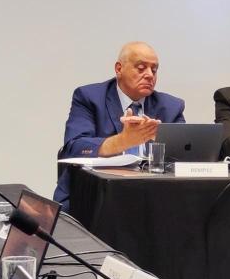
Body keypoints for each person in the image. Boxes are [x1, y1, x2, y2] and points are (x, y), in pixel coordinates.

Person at [56, 41, 186, 202]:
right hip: (95, 196)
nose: (149, 75)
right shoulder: (89, 97)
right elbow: (74, 147)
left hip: (151, 199)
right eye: (141, 68)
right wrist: (123, 141)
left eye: (154, 70)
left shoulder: (171, 107)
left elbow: (186, 156)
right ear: (119, 69)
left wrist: (161, 138)